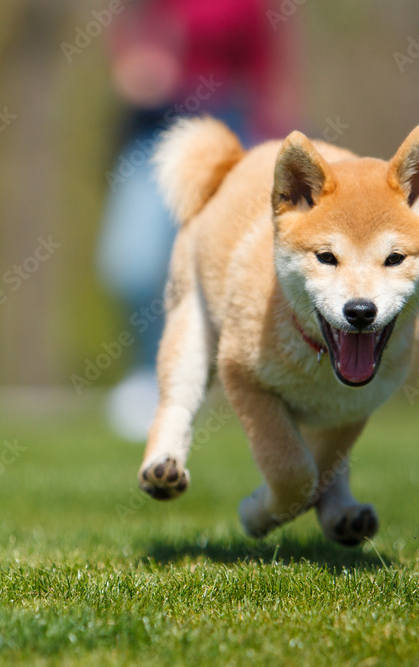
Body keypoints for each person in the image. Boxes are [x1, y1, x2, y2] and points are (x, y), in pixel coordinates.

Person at [97, 0, 300, 441]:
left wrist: (281, 139)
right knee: (131, 263)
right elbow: (121, 21)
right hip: (154, 127)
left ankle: (260, 380)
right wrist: (130, 61)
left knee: (253, 266)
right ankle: (149, 376)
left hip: (232, 125)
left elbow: (269, 62)